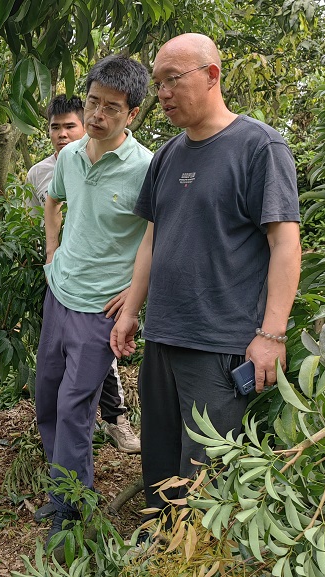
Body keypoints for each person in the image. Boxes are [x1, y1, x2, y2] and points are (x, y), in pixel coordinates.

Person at [110, 33, 302, 523]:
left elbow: (284, 244)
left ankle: (201, 560)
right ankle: (159, 544)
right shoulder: (167, 156)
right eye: (158, 84)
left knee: (206, 473)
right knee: (160, 458)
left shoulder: (259, 146)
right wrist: (131, 311)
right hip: (163, 335)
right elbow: (152, 239)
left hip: (219, 342)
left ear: (212, 75)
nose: (163, 94)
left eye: (172, 80)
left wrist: (272, 334)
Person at [34, 55, 153, 542]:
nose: (98, 114)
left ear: (133, 113)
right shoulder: (69, 157)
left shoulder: (145, 168)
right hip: (60, 292)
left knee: (74, 407)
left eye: (112, 107)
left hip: (101, 308)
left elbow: (159, 235)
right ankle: (59, 486)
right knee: (46, 395)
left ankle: (71, 507)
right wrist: (52, 253)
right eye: (93, 102)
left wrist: (134, 295)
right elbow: (53, 201)